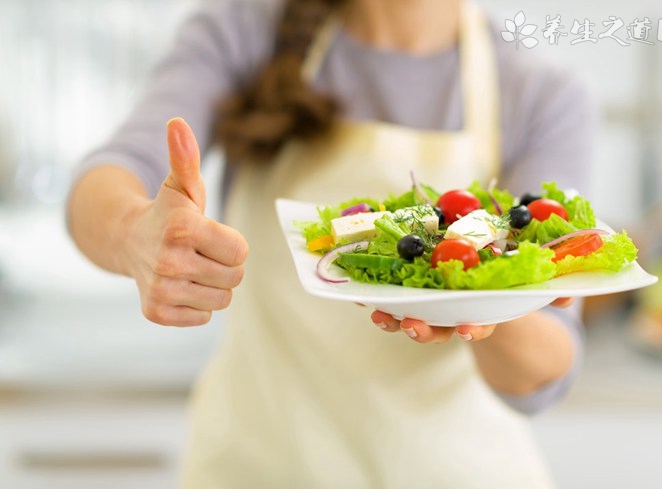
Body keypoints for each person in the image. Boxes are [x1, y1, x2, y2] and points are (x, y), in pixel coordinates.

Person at [68, 0, 594, 487]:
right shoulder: (249, 28)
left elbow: (545, 369)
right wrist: (132, 235)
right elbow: (114, 174)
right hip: (258, 465)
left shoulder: (539, 92)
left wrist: (483, 298)